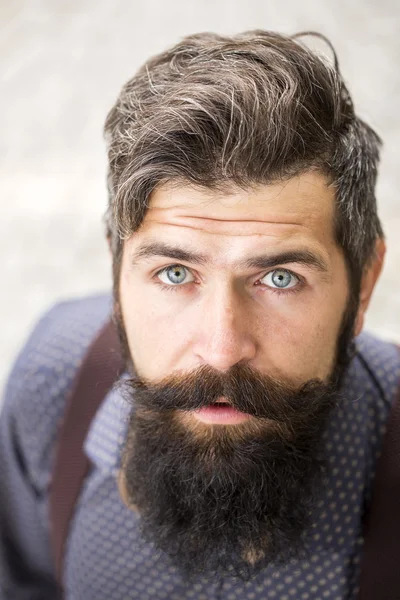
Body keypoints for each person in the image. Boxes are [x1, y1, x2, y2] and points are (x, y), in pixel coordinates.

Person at [0, 29, 398, 600]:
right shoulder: (54, 379)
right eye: (175, 274)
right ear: (117, 269)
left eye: (279, 279)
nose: (221, 346)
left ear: (363, 285)